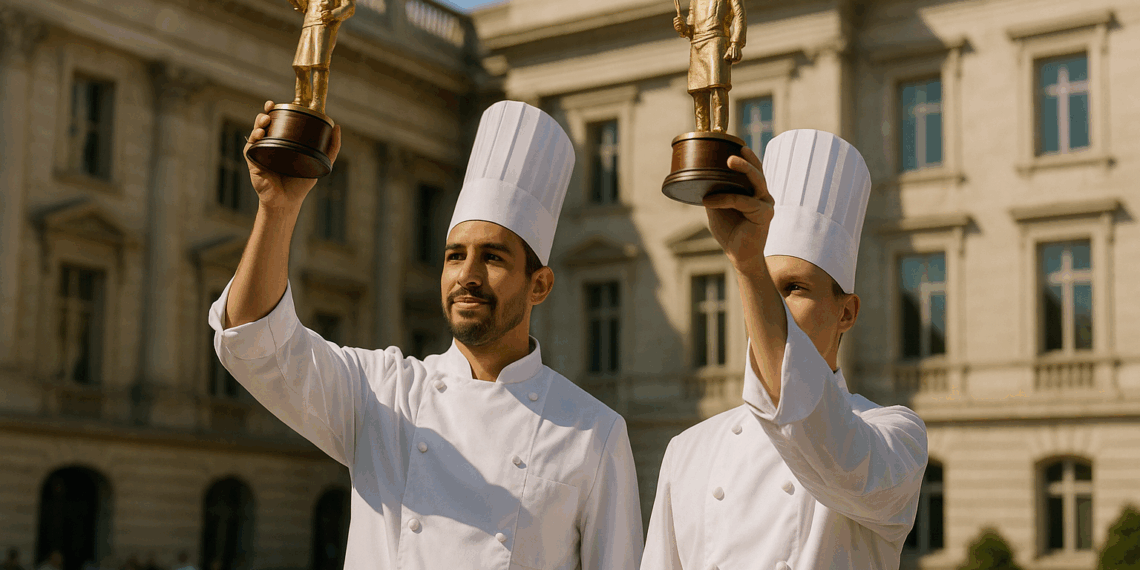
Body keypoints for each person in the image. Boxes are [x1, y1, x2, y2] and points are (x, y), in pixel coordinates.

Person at [210, 100, 643, 569]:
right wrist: (278, 207)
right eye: (455, 255)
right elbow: (255, 341)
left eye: (493, 258)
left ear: (539, 285)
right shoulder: (381, 393)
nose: (468, 275)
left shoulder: (594, 432)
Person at [641, 130, 929, 569]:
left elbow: (826, 443)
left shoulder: (895, 435)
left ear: (846, 312)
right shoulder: (688, 449)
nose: (772, 306)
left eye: (794, 288)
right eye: (762, 288)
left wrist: (749, 265)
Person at [672, 0, 745, 132]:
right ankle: (701, 130)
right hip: (697, 43)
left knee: (717, 87)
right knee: (698, 92)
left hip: (716, 40)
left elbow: (739, 14)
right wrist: (682, 28)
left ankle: (719, 127)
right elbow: (691, 27)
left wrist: (736, 43)